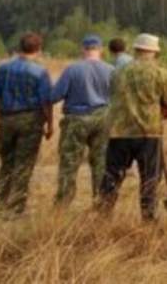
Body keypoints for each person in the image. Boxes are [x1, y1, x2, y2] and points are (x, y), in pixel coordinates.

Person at [97, 33, 167, 221]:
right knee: (149, 177)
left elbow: (112, 95)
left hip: (119, 132)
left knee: (112, 176)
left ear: (136, 50)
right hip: (149, 133)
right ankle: (149, 219)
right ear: (154, 52)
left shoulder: (118, 72)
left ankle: (101, 216)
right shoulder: (159, 73)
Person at [0, 33, 53, 215]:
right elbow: (45, 102)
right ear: (39, 49)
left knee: (7, 162)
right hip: (30, 120)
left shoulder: (3, 68)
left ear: (20, 47)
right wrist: (49, 125)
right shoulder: (40, 72)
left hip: (7, 119)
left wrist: (0, 119)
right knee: (24, 165)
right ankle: (15, 208)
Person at [51, 33, 114, 207]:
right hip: (103, 119)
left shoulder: (72, 69)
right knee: (101, 162)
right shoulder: (111, 70)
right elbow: (118, 98)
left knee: (69, 164)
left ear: (83, 49)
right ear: (101, 50)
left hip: (76, 120)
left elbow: (55, 96)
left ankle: (62, 205)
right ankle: (102, 204)